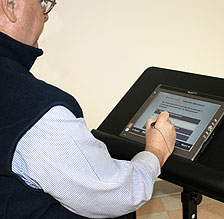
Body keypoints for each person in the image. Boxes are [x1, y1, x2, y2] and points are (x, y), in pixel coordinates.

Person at [0, 0, 176, 218]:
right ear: (10, 5)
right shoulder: (40, 112)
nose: (45, 15)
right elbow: (118, 194)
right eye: (42, 3)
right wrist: (156, 152)